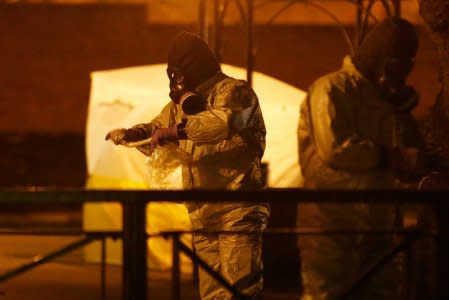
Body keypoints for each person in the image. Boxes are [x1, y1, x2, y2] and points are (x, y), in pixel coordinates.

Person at [106, 31, 269, 300]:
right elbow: (158, 128)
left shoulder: (235, 92)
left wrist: (177, 132)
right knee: (213, 293)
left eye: (179, 71)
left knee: (240, 290)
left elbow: (221, 123)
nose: (176, 80)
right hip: (202, 211)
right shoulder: (182, 102)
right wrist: (134, 133)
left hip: (236, 210)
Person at [297, 18, 425, 300]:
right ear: (384, 59)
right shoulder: (330, 90)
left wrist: (404, 117)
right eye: (400, 64)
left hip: (378, 228)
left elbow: (404, 153)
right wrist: (395, 157)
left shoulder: (384, 99)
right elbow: (336, 150)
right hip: (332, 228)